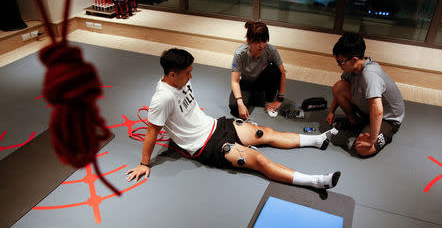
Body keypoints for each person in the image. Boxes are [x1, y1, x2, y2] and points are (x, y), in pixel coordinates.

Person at [126, 48, 341, 190]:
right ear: (172, 75)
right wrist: (144, 163)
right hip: (205, 146)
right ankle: (316, 182)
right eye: (187, 73)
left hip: (216, 125)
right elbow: (152, 131)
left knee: (264, 133)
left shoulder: (180, 81)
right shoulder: (162, 98)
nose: (191, 76)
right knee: (259, 161)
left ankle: (317, 139)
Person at [326, 32, 405, 157]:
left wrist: (372, 139)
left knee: (362, 149)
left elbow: (377, 111)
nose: (339, 65)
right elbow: (339, 90)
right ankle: (356, 123)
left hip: (387, 118)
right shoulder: (352, 69)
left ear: (354, 60)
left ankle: (381, 132)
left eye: (341, 62)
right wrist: (331, 111)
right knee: (339, 86)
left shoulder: (370, 74)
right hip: (368, 111)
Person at [229, 21, 286, 120]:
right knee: (235, 108)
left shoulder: (271, 50)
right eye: (257, 42)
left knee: (274, 70)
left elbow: (282, 73)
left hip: (261, 82)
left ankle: (267, 97)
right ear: (248, 40)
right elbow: (235, 81)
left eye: (264, 41)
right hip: (246, 83)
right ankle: (251, 96)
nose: (261, 45)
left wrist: (279, 99)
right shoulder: (240, 54)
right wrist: (240, 103)